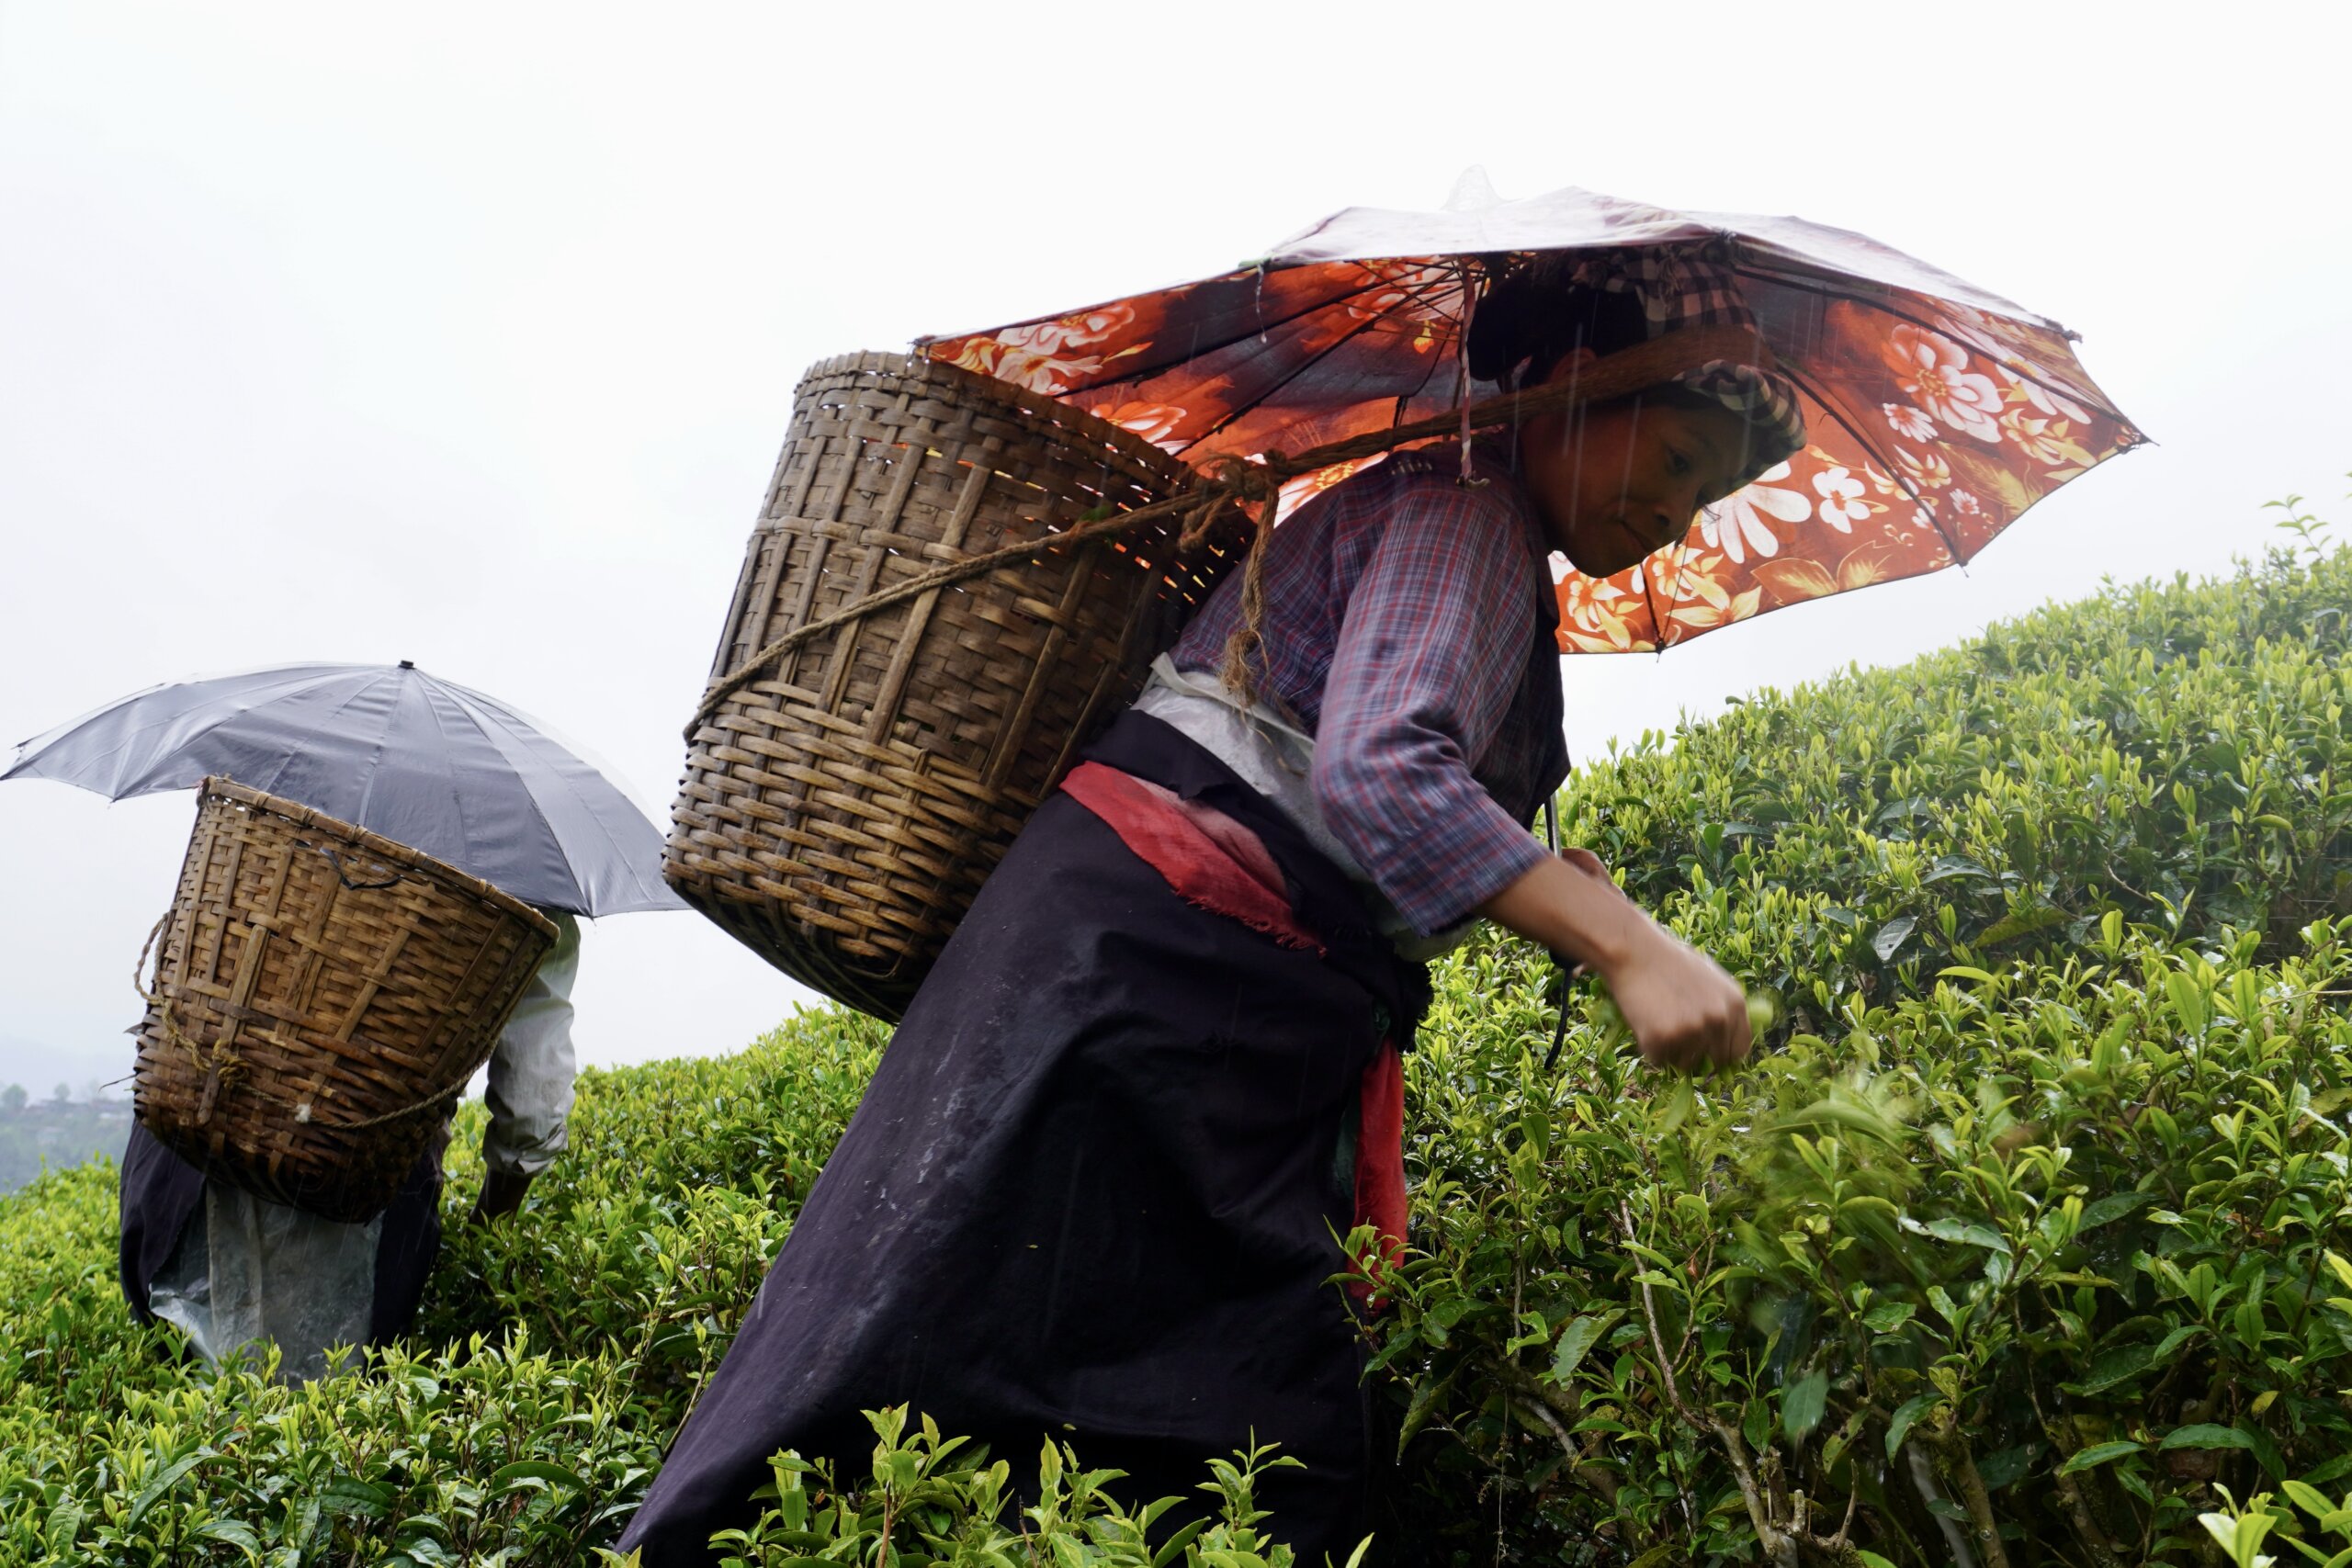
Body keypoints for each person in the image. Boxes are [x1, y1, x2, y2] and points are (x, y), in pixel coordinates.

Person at [618, 250, 1808, 1564]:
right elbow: (1379, 773)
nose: (1684, 513)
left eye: (1713, 489)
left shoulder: (1452, 515)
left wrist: (1551, 881)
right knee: (1106, 1404)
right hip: (1157, 989)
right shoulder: (1469, 508)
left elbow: (1334, 771)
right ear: (1574, 381)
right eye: (1685, 455)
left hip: (1139, 981)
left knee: (953, 1353)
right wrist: (1630, 949)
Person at [117, 910, 582, 1382]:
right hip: (353, 1187)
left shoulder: (278, 839)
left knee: (188, 1419)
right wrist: (485, 1245)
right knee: (317, 1429)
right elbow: (532, 1106)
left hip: (181, 1147)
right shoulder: (523, 876)